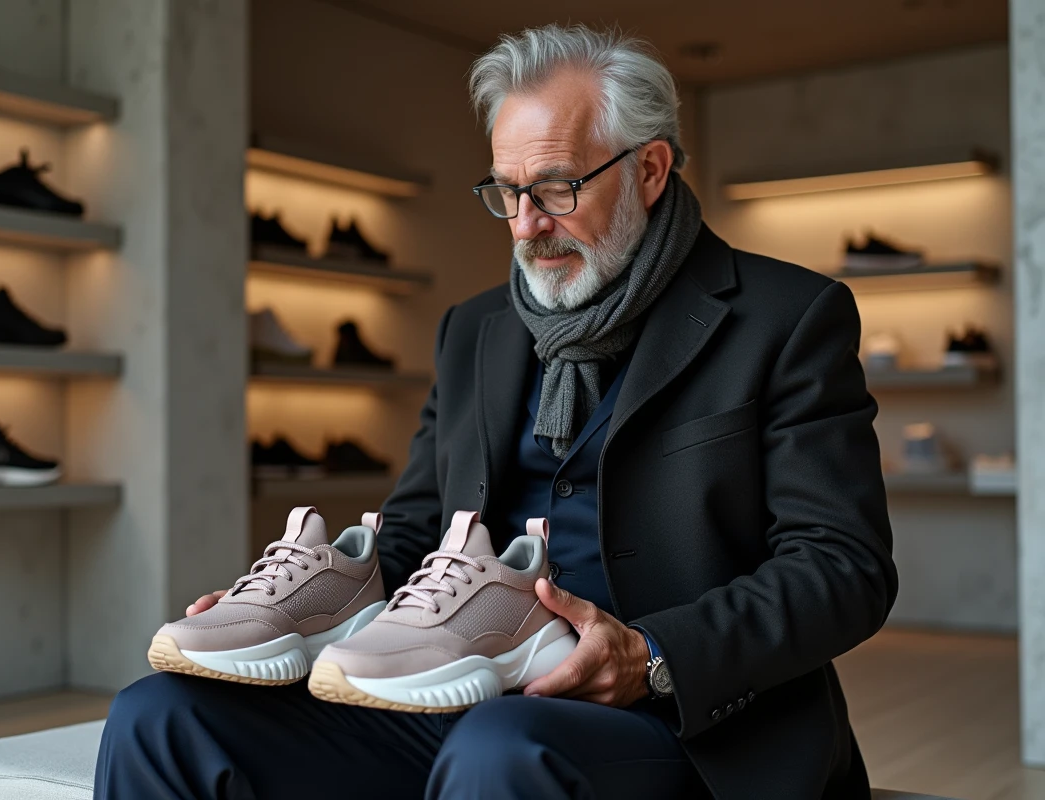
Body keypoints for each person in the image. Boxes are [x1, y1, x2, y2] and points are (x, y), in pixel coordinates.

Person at [95, 23, 897, 800]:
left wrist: (652, 654)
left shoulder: (788, 315)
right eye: (506, 191)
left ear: (650, 169)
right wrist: (288, 608)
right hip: (456, 687)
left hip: (684, 721)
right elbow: (413, 535)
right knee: (158, 717)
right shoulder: (476, 329)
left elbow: (843, 566)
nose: (525, 225)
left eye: (556, 187)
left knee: (503, 748)